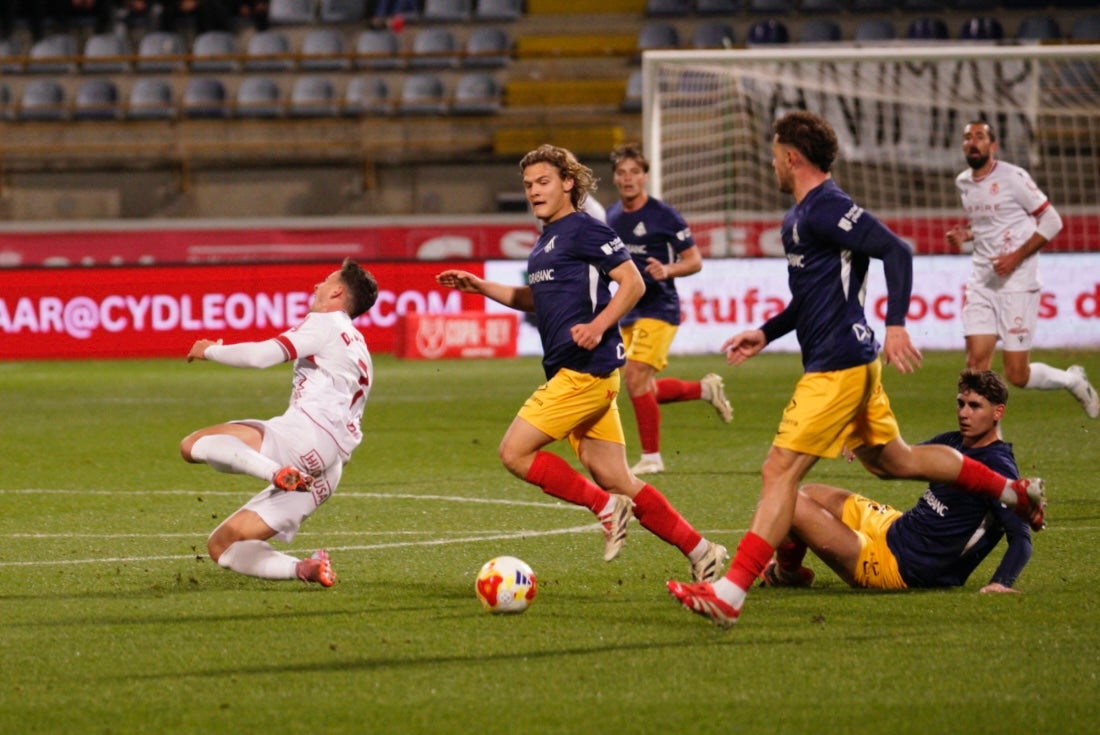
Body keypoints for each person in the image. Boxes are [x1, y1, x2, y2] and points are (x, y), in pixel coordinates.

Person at [666, 111, 1046, 628]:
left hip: (839, 364)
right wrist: (767, 332)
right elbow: (810, 298)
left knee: (779, 472)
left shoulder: (828, 206)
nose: (772, 162)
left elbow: (896, 250)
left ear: (792, 156)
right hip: (850, 362)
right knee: (894, 462)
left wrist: (895, 323)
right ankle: (1010, 491)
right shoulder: (798, 216)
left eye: (776, 153)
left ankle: (731, 592)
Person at [436, 144, 728, 583]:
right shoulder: (547, 240)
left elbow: (632, 283)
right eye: (528, 185)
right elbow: (533, 298)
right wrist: (482, 286)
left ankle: (605, 509)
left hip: (585, 371)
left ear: (568, 183)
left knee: (514, 453)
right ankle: (701, 549)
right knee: (617, 478)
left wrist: (598, 325)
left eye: (543, 182)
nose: (533, 191)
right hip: (577, 372)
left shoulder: (586, 229)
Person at [180, 259, 379, 587]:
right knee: (222, 545)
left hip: (304, 438)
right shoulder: (357, 343)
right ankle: (306, 569)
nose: (317, 286)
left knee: (190, 446)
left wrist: (211, 351)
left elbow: (260, 356)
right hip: (329, 467)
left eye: (325, 280)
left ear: (337, 292)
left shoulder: (326, 322)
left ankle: (275, 472)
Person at [762, 369, 1032, 594]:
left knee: (791, 500)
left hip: (900, 565)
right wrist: (864, 444)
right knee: (810, 492)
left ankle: (779, 574)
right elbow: (902, 458)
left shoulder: (999, 469)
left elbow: (1021, 537)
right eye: (961, 403)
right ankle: (790, 573)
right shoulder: (953, 442)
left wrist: (1001, 582)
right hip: (894, 526)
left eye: (975, 406)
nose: (964, 413)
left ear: (998, 412)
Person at [946, 120, 1098, 419]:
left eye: (980, 136)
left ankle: (1072, 380)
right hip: (982, 280)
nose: (972, 142)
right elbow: (991, 223)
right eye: (967, 137)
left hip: (1018, 281)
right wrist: (968, 234)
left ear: (993, 146)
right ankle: (985, 447)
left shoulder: (1013, 177)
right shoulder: (963, 182)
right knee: (976, 367)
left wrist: (1016, 257)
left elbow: (1052, 221)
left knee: (1017, 374)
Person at [606, 142, 733, 476]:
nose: (628, 178)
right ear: (615, 178)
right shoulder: (611, 217)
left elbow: (694, 260)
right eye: (622, 172)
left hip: (660, 308)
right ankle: (704, 389)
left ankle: (652, 457)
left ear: (645, 176)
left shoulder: (664, 215)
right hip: (628, 309)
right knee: (640, 386)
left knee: (635, 378)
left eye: (635, 171)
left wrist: (668, 269)